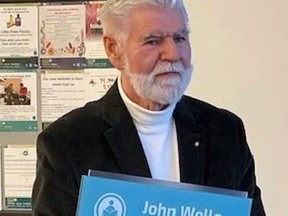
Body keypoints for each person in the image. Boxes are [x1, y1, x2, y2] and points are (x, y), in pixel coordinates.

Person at [32, 0, 266, 215]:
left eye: (180, 38)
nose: (173, 54)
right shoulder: (67, 142)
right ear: (114, 50)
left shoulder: (225, 131)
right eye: (153, 41)